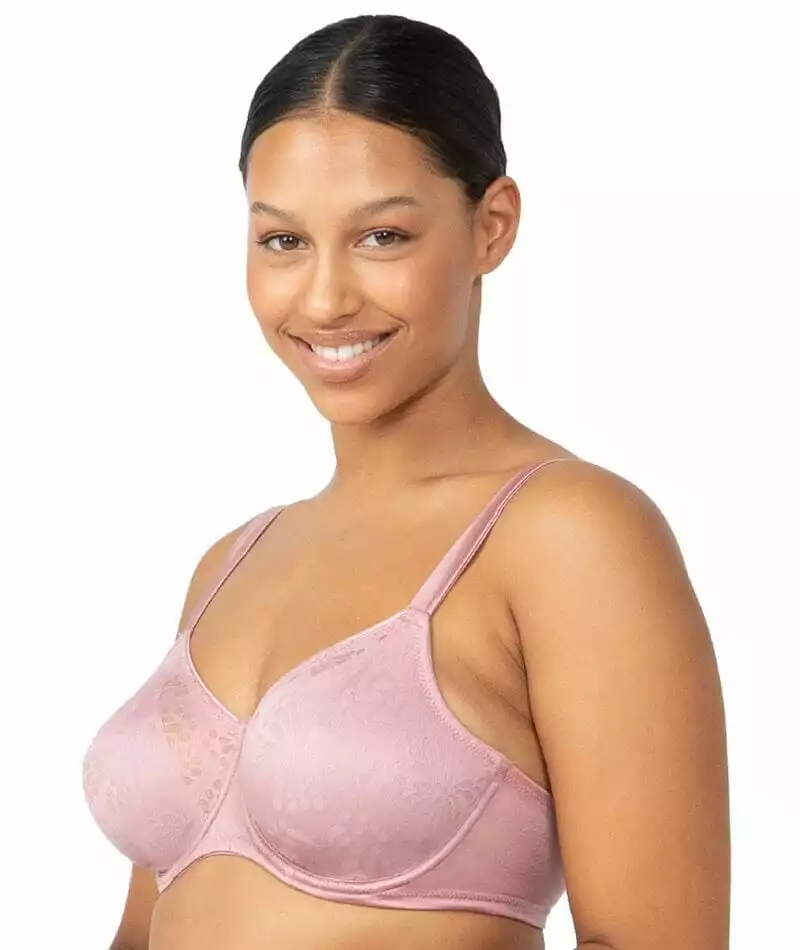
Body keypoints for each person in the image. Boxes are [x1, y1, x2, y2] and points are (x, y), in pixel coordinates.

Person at [82, 13, 730, 950]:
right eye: (283, 241)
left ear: (491, 227)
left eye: (381, 236)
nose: (325, 299)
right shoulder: (230, 562)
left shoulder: (569, 533)